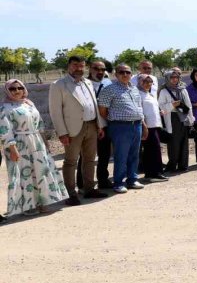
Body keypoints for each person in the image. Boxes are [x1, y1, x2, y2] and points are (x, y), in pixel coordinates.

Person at [1, 79, 68, 216]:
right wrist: (12, 149)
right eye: (12, 89)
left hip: (36, 141)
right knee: (24, 174)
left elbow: (40, 125)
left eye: (19, 88)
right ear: (7, 90)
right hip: (19, 143)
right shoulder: (4, 108)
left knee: (40, 171)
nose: (17, 91)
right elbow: (5, 130)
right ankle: (27, 206)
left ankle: (42, 201)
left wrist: (45, 142)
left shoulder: (29, 104)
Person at [49, 55, 106, 204]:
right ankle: (70, 194)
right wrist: (62, 133)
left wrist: (99, 126)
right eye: (75, 65)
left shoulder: (87, 82)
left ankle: (88, 189)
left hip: (92, 126)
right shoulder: (59, 85)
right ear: (68, 66)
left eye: (81, 66)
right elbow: (55, 112)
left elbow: (93, 104)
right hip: (72, 130)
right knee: (70, 162)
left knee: (90, 160)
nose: (78, 69)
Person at [98, 64, 149, 193]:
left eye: (127, 72)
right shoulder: (109, 89)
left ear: (131, 74)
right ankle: (119, 182)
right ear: (116, 74)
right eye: (121, 72)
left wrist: (143, 125)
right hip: (120, 126)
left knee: (134, 154)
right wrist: (113, 119)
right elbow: (102, 110)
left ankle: (132, 179)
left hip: (136, 125)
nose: (125, 74)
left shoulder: (134, 89)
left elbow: (139, 108)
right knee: (121, 155)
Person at [83, 59, 113, 189]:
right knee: (85, 156)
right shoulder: (83, 84)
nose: (100, 72)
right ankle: (83, 183)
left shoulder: (108, 83)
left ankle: (103, 179)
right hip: (89, 124)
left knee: (104, 154)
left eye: (102, 69)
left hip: (105, 124)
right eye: (96, 69)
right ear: (89, 69)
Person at [158, 69, 195, 172]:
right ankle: (172, 166)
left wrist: (191, 119)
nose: (174, 79)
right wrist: (172, 105)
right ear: (167, 79)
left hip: (184, 118)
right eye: (172, 77)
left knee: (184, 143)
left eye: (176, 77)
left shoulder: (183, 89)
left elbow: (189, 105)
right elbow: (160, 106)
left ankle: (183, 166)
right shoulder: (164, 91)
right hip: (172, 118)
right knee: (174, 143)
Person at [137, 75, 167, 182]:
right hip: (147, 127)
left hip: (155, 125)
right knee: (153, 150)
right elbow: (139, 112)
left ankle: (153, 173)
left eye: (150, 81)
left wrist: (159, 112)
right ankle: (153, 173)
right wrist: (144, 126)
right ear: (140, 82)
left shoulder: (149, 94)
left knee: (153, 150)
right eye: (145, 81)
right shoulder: (138, 94)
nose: (148, 83)